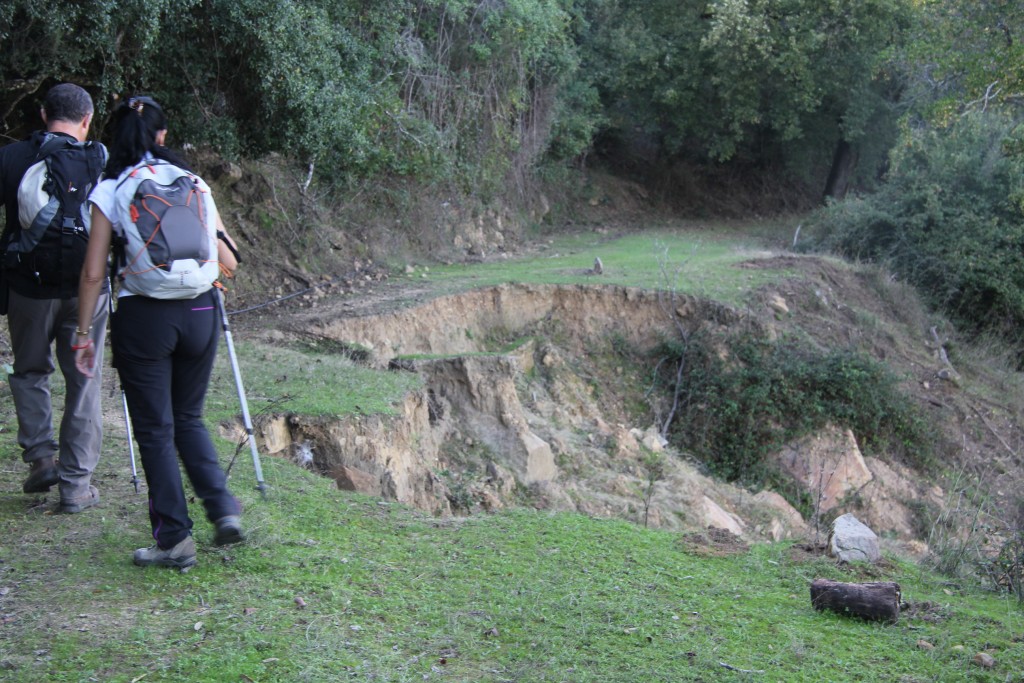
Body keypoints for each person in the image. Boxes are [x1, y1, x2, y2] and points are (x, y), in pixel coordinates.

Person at [74, 95, 244, 570]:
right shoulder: (195, 183)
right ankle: (223, 508)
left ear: (115, 137)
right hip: (201, 310)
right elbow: (229, 260)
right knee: (188, 417)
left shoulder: (111, 189)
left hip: (145, 317)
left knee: (155, 429)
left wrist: (84, 333)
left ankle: (174, 538)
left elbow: (93, 273)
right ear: (163, 135)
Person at [0, 83, 109, 512]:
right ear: (87, 120)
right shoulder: (103, 161)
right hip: (88, 290)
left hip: (27, 287)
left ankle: (42, 459)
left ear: (44, 115)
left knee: (29, 371)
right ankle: (76, 486)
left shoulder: (12, 157)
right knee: (84, 380)